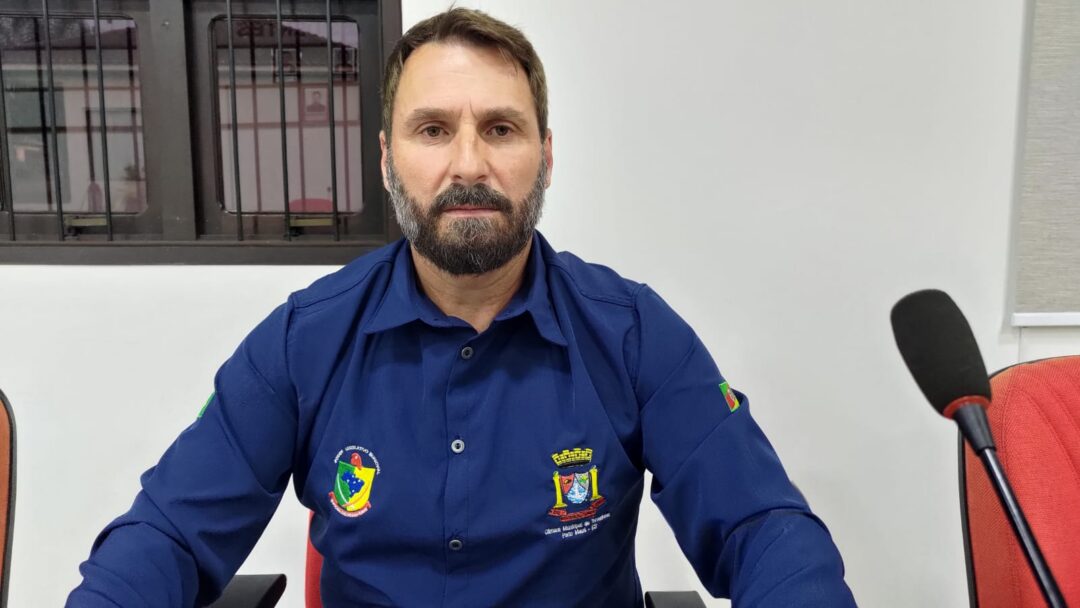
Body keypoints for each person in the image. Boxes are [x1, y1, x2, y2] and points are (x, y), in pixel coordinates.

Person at [68, 8, 856, 607]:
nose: (469, 164)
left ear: (546, 155)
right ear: (388, 159)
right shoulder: (305, 340)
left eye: (501, 129)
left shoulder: (634, 334)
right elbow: (166, 535)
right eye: (434, 130)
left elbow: (762, 527)